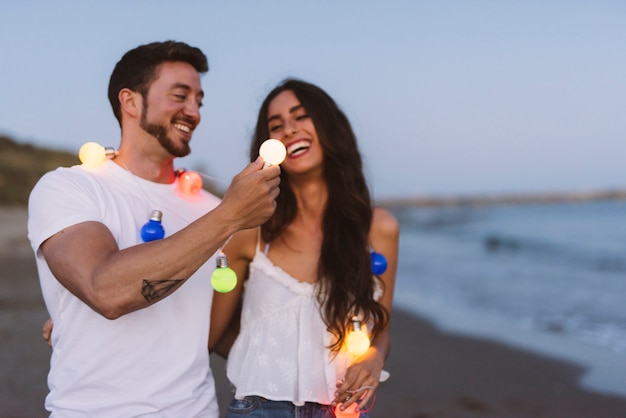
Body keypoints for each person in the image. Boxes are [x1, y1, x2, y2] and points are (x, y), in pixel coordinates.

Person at [28, 41, 281, 417]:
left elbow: (223, 332)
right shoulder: (69, 187)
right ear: (130, 101)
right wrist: (230, 215)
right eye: (180, 96)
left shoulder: (211, 209)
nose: (193, 111)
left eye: (199, 101)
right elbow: (105, 290)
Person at [208, 79, 399, 417]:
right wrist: (262, 357)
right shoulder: (251, 232)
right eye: (276, 125)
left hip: (345, 407)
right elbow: (212, 335)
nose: (289, 130)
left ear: (329, 125)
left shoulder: (378, 229)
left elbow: (380, 330)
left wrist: (374, 356)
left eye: (301, 116)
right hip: (259, 408)